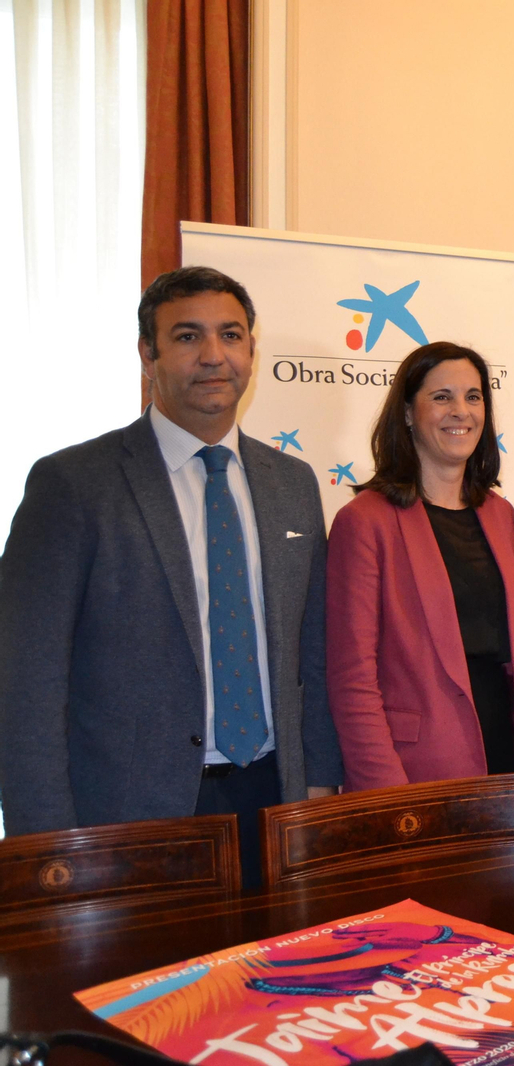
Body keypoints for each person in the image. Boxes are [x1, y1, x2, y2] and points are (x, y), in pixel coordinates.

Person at [0, 266, 340, 886]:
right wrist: (42, 842)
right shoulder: (73, 485)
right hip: (128, 815)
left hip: (273, 799)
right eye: (187, 337)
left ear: (252, 351)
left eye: (231, 336)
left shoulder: (293, 485)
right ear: (146, 355)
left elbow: (310, 655)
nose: (214, 356)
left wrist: (318, 781)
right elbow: (26, 679)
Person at [326, 342, 514, 791]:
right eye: (441, 397)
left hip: (510, 753)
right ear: (407, 413)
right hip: (415, 770)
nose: (460, 411)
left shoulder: (500, 515)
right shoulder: (365, 521)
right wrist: (385, 792)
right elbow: (353, 679)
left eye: (473, 396)